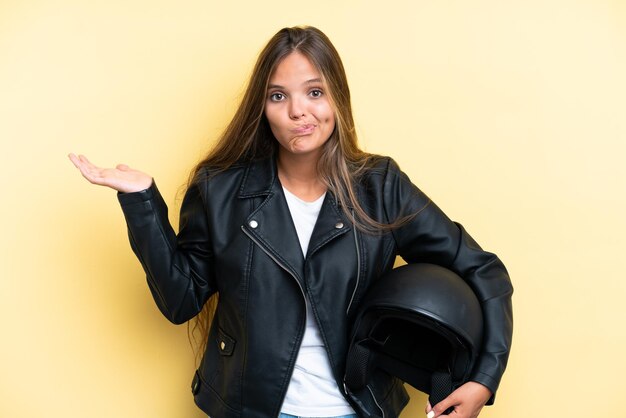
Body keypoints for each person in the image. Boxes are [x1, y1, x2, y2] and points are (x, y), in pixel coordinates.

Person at [69, 26, 513, 418]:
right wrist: (142, 202)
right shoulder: (220, 190)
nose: (298, 112)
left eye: (314, 92)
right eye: (279, 96)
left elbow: (483, 269)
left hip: (357, 407)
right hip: (250, 408)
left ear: (337, 97)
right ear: (262, 108)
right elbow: (180, 300)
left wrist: (483, 379)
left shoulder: (380, 187)